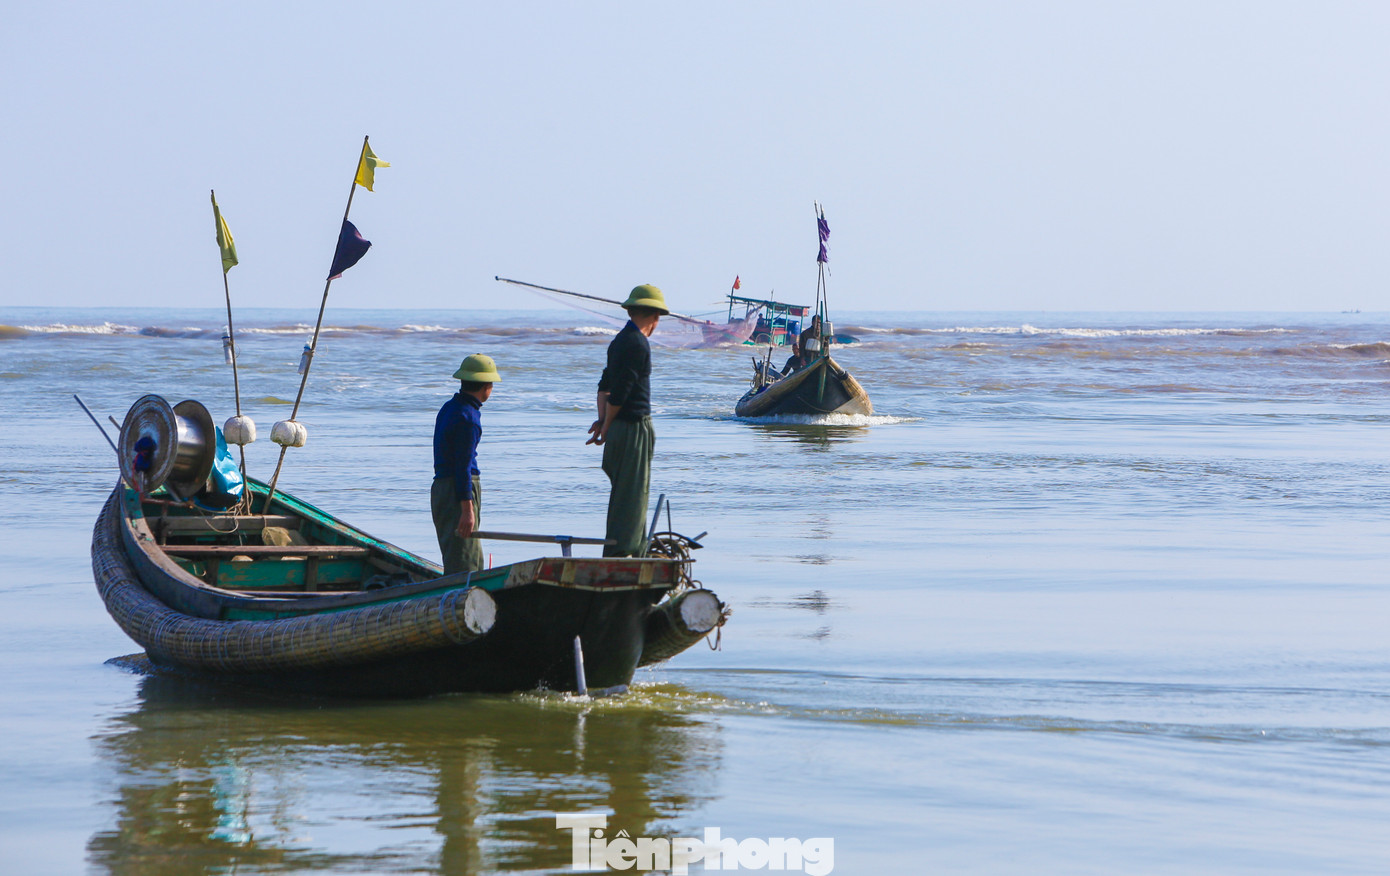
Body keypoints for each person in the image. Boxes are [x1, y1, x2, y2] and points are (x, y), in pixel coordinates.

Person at [586, 284, 669, 557]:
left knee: (622, 495)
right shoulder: (638, 343)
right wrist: (606, 426)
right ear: (654, 316)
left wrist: (601, 421)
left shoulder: (619, 340)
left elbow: (604, 386)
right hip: (633, 429)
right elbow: (620, 394)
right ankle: (626, 555)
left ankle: (619, 551)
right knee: (634, 497)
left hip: (618, 426)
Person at [432, 353, 501, 575]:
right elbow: (462, 466)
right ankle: (461, 604)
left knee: (455, 555)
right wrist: (467, 509)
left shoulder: (450, 407)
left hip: (441, 488)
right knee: (466, 563)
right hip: (458, 490)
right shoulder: (468, 418)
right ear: (486, 388)